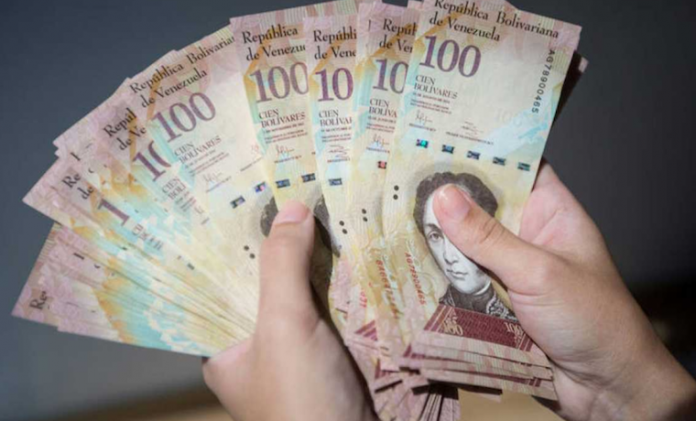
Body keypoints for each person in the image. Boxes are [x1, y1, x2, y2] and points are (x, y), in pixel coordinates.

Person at [203, 163, 696, 421]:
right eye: (435, 237)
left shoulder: (498, 315)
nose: (451, 253)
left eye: (452, 235)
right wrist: (623, 392)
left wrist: (625, 385)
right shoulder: (428, 322)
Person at [414, 171, 515, 320]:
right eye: (435, 236)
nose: (448, 256)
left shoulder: (519, 310)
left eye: (460, 232)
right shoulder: (431, 317)